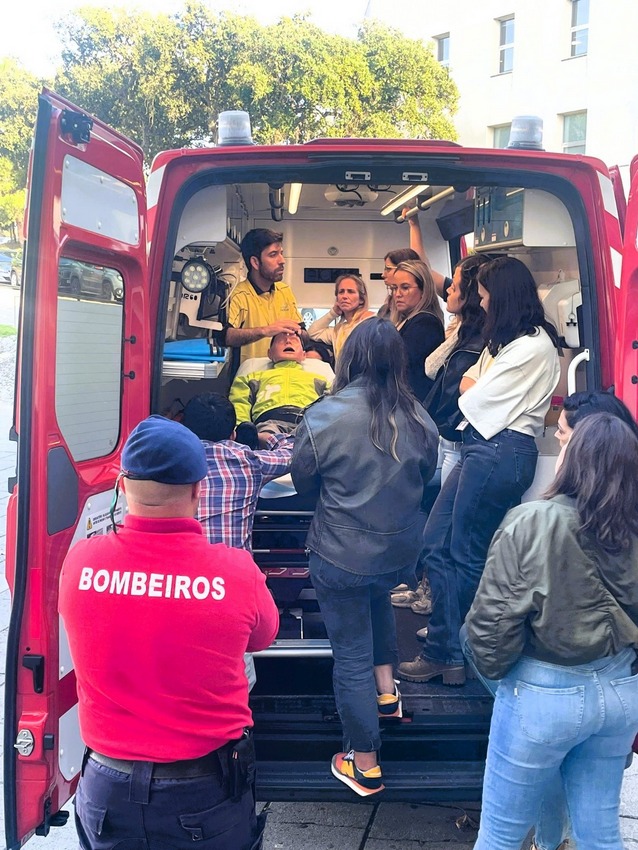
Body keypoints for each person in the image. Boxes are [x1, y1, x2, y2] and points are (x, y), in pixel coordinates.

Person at [58, 415, 279, 850]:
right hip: (202, 793)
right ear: (199, 489)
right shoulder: (235, 572)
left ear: (122, 487)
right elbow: (263, 637)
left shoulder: (81, 563)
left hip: (106, 787)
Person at [464, 413, 638, 850]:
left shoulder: (532, 520)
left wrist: (508, 678)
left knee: (500, 836)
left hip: (543, 693)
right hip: (620, 690)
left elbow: (489, 627)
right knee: (600, 834)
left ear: (574, 459)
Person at [291, 318, 438, 797]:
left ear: (348, 358)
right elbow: (429, 479)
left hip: (340, 553)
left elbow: (303, 484)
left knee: (349, 653)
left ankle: (365, 763)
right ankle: (387, 693)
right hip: (398, 554)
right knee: (376, 597)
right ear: (397, 360)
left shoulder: (323, 416)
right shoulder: (420, 416)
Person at [398, 255, 560, 685]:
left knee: (463, 554)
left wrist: (474, 380)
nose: (481, 304)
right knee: (436, 543)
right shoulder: (505, 343)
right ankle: (448, 637)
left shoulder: (531, 346)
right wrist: (474, 379)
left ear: (502, 298)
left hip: (499, 450)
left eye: (485, 296)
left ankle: (452, 651)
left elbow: (471, 393)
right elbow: (467, 380)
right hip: (481, 449)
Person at [391, 253, 491, 618]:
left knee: (441, 527)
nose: (448, 287)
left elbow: (441, 376)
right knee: (432, 517)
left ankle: (436, 599)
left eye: (456, 283)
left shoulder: (453, 333)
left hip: (453, 433)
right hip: (443, 432)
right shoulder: (459, 331)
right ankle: (425, 584)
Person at [182, 392, 294, 551]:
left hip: (183, 569)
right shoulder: (249, 461)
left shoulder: (170, 461)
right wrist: (262, 437)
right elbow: (295, 452)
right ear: (233, 434)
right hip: (234, 572)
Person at [229, 330, 330, 436]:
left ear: (304, 355)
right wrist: (241, 428)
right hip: (269, 421)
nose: (288, 341)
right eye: (280, 340)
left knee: (312, 441)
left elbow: (333, 401)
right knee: (266, 437)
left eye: (294, 340)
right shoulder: (253, 377)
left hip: (308, 422)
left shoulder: (319, 379)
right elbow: (239, 402)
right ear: (270, 353)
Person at [225, 228, 303, 363]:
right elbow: (227, 336)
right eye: (273, 255)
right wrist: (265, 331)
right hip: (250, 379)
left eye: (281, 253)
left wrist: (300, 334)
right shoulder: (239, 295)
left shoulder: (285, 291)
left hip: (284, 375)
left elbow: (302, 331)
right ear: (255, 262)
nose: (282, 260)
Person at [389, 259, 445, 399]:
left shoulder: (425, 323)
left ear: (423, 290)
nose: (397, 294)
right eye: (394, 288)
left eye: (405, 287)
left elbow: (402, 367)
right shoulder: (406, 320)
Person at [307, 273, 374, 360]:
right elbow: (312, 332)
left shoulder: (371, 321)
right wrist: (333, 313)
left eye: (350, 291)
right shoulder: (338, 331)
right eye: (341, 292)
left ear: (361, 299)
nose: (344, 296)